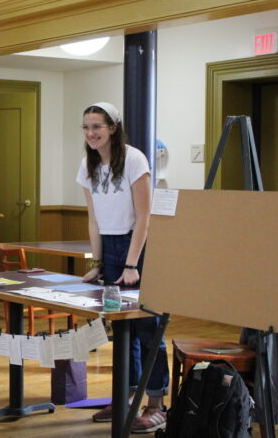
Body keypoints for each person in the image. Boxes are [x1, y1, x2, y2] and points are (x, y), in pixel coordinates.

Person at [75, 101, 169, 434]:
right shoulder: (87, 165)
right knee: (120, 328)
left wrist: (131, 264)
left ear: (113, 127)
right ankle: (124, 398)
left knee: (147, 328)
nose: (91, 133)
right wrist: (98, 263)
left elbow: (145, 216)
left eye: (97, 126)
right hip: (111, 250)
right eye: (86, 127)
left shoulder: (133, 158)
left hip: (138, 248)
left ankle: (157, 405)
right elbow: (93, 219)